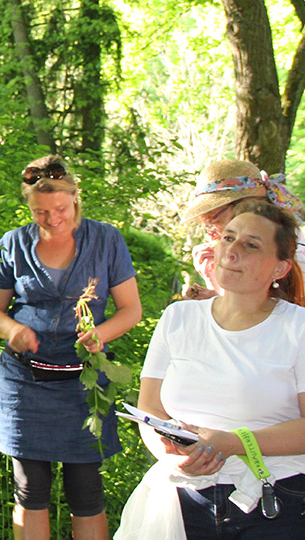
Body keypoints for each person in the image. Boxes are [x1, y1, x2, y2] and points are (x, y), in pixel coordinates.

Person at [115, 201, 305, 539]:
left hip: (275, 500)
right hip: (182, 500)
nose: (232, 251)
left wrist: (234, 443)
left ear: (280, 268)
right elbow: (150, 408)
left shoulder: (298, 328)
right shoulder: (178, 317)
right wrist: (169, 455)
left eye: (251, 245)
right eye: (228, 238)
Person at [0, 155, 142, 540]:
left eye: (60, 209)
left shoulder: (106, 241)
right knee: (30, 489)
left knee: (86, 490)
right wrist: (12, 329)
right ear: (28, 204)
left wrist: (101, 334)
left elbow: (131, 310)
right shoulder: (13, 244)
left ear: (75, 196)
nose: (52, 219)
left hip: (84, 384)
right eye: (40, 211)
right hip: (25, 382)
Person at [181, 158, 305, 300]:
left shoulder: (293, 255)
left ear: (245, 208)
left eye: (213, 220)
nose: (211, 234)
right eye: (206, 225)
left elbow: (275, 310)